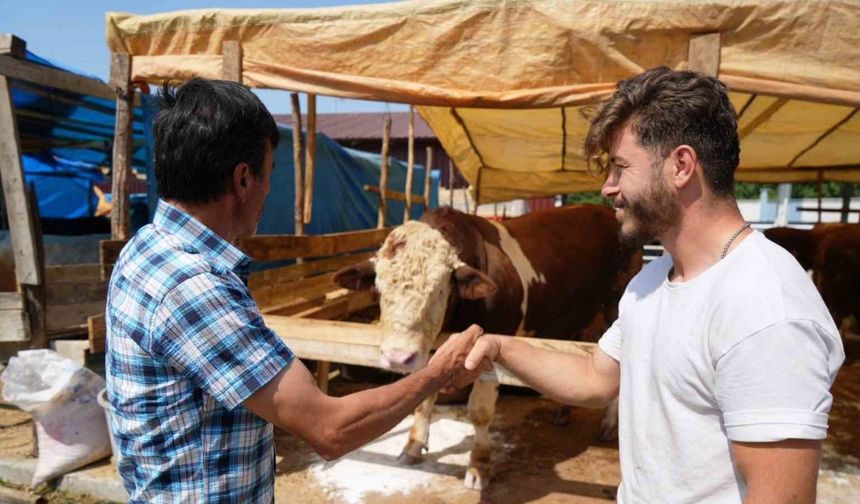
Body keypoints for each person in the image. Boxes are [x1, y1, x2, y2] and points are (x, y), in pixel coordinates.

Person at [464, 67, 845, 503]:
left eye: (621, 167)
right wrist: (500, 347)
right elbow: (595, 377)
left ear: (681, 166)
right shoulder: (652, 280)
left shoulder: (766, 306)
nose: (607, 188)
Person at [105, 78, 489, 503]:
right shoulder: (192, 287)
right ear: (244, 180)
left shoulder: (147, 248)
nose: (269, 190)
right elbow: (330, 430)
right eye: (269, 175)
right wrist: (437, 373)